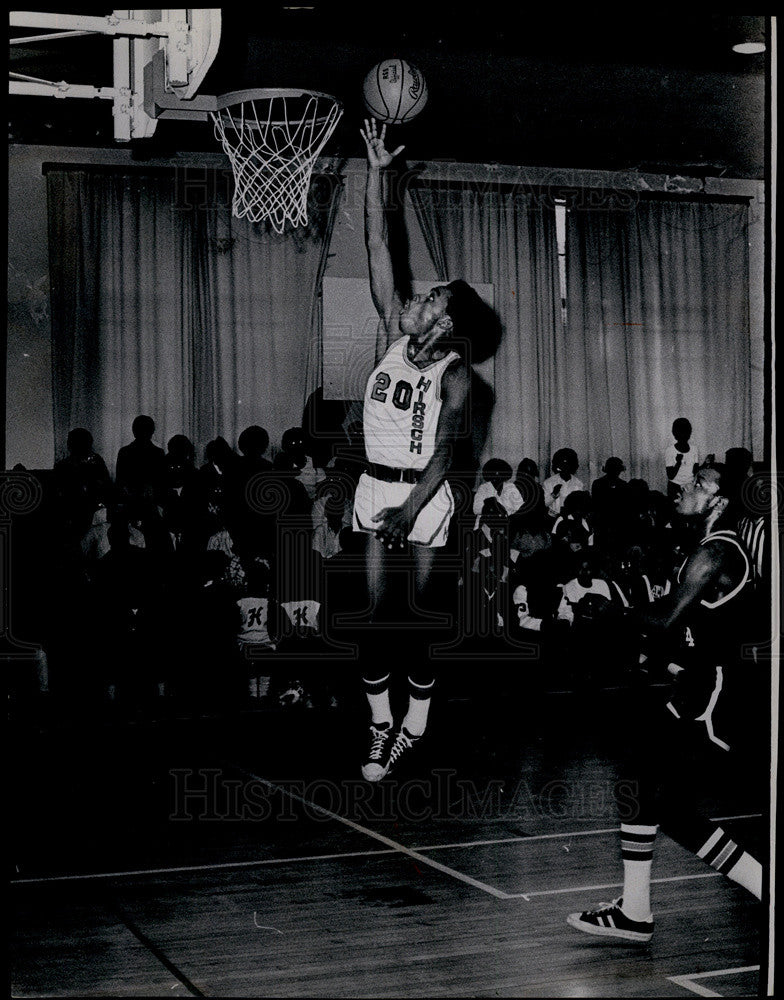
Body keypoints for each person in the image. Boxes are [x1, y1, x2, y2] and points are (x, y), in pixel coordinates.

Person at [354, 119, 499, 781]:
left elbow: (446, 454)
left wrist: (412, 508)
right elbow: (379, 243)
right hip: (376, 485)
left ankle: (416, 722)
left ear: (447, 323)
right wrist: (377, 171)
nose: (418, 297)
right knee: (374, 615)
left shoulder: (459, 377)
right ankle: (382, 726)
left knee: (413, 619)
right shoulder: (392, 329)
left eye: (432, 297)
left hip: (424, 493)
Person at [567, 465, 763, 943]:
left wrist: (615, 612)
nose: (683, 487)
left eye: (698, 484)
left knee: (655, 793)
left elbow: (665, 621)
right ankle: (635, 911)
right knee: (644, 787)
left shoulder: (716, 551)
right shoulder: (702, 547)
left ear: (718, 499)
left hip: (720, 699)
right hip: (695, 688)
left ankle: (643, 909)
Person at [543, 448, 584, 520]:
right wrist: (554, 494)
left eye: (568, 464)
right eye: (562, 464)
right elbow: (544, 504)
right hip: (552, 519)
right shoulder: (549, 483)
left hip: (571, 520)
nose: (565, 468)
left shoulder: (578, 483)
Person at [665, 417, 700, 501]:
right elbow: (670, 476)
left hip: (690, 487)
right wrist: (678, 462)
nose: (684, 435)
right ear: (675, 434)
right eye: (681, 432)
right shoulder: (670, 450)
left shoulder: (694, 449)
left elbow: (694, 471)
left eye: (686, 432)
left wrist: (706, 463)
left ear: (689, 433)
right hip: (675, 487)